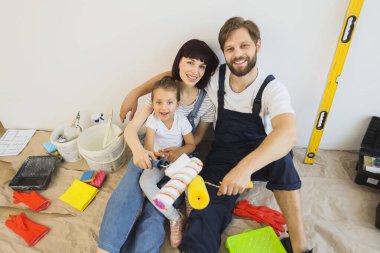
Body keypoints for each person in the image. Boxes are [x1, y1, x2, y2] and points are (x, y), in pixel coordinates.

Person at [118, 17, 312, 253]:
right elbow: (174, 74)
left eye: (244, 46)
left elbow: (288, 133)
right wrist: (136, 92)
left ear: (257, 45)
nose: (237, 54)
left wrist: (245, 169)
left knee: (283, 159)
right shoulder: (215, 77)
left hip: (258, 153)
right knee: (203, 214)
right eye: (230, 48)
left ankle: (300, 245)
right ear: (224, 52)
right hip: (223, 155)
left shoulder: (272, 88)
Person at [97, 39, 219, 253]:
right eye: (190, 62)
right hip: (151, 151)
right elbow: (131, 128)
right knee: (129, 188)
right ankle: (107, 248)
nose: (195, 71)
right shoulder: (161, 92)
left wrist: (179, 151)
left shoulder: (206, 102)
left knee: (157, 208)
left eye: (202, 66)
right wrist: (139, 150)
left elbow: (197, 139)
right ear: (179, 62)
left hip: (182, 157)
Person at [139, 76, 195, 247]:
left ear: (177, 105)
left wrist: (178, 151)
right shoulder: (152, 120)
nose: (164, 107)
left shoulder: (181, 121)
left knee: (191, 178)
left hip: (177, 159)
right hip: (159, 161)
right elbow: (148, 145)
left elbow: (191, 145)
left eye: (169, 102)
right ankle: (174, 217)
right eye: (159, 102)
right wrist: (155, 154)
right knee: (145, 182)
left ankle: (191, 207)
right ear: (153, 104)